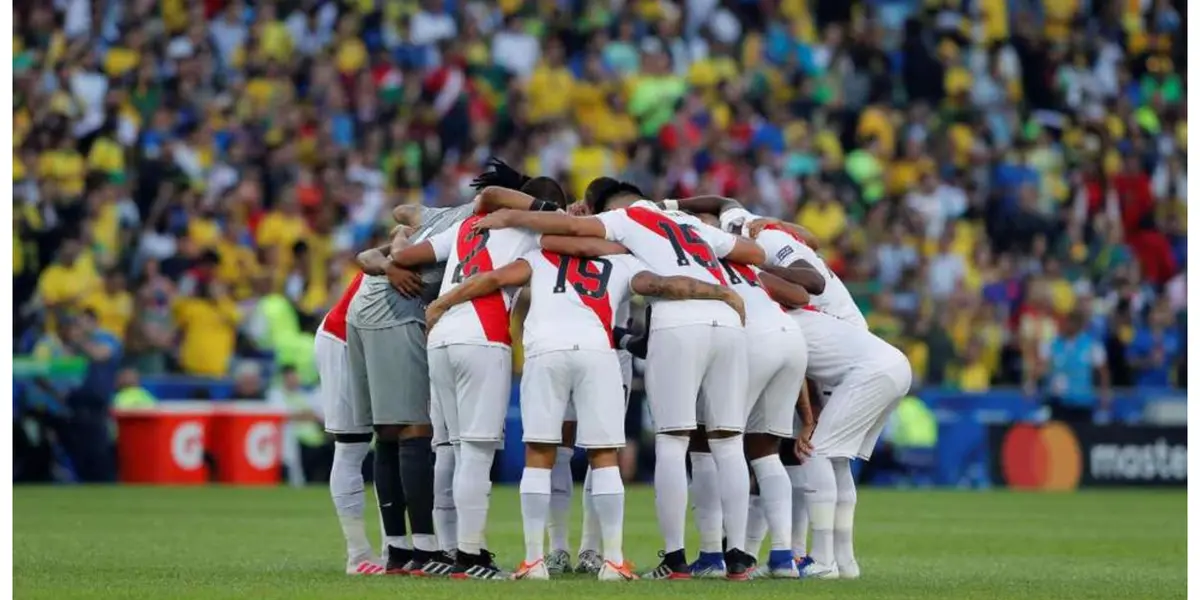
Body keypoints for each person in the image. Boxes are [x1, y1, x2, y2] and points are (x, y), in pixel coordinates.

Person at [471, 177, 766, 580]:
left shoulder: (624, 220)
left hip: (674, 321)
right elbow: (754, 252)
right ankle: (736, 557)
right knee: (729, 442)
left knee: (672, 439)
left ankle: (675, 559)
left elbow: (572, 235)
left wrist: (512, 216)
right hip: (727, 319)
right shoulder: (690, 225)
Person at [386, 180, 570, 580]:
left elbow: (405, 257)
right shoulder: (538, 225)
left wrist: (396, 243)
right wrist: (546, 208)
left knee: (447, 448)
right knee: (476, 450)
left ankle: (446, 551)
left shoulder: (466, 226)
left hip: (440, 335)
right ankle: (471, 557)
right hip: (481, 334)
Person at [684, 213, 814, 579]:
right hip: (790, 337)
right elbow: (801, 295)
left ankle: (716, 555)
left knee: (710, 444)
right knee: (765, 452)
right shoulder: (745, 267)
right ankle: (784, 557)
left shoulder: (692, 262)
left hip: (751, 341)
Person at [312, 271, 384, 575]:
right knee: (352, 446)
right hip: (343, 339)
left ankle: (394, 548)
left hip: (377, 341)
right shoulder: (422, 242)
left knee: (395, 443)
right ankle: (358, 554)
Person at [62, 309, 122, 483]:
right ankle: (84, 480)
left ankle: (105, 482)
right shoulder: (79, 344)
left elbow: (99, 355)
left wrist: (79, 342)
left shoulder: (107, 338)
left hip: (98, 402)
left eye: (82, 322)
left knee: (99, 447)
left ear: (94, 322)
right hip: (78, 402)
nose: (79, 327)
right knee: (81, 448)